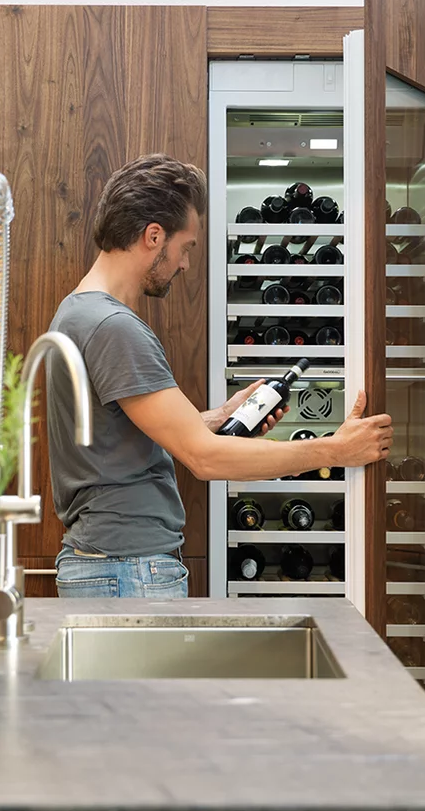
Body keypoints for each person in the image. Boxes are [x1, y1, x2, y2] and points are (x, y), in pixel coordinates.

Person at [46, 153, 393, 598]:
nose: (186, 264)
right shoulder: (114, 328)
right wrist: (336, 450)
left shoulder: (78, 312)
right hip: (127, 570)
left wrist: (221, 416)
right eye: (186, 247)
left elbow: (117, 441)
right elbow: (205, 459)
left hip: (109, 564)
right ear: (154, 236)